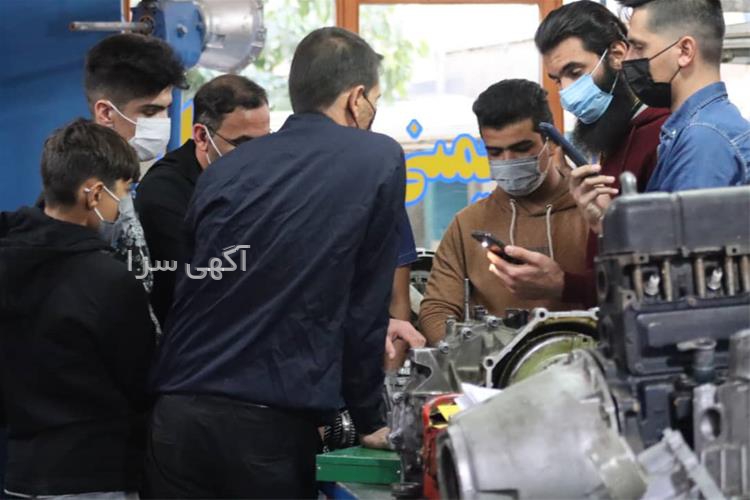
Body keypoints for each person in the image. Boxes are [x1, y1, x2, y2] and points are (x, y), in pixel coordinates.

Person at [144, 28, 405, 498]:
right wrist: (369, 418)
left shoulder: (223, 168)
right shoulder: (377, 157)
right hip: (263, 431)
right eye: (375, 99)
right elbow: (366, 306)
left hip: (174, 417)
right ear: (357, 98)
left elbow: (203, 281)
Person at [0, 119, 155, 498]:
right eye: (123, 192)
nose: (124, 206)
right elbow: (142, 382)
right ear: (94, 193)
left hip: (20, 471)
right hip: (93, 475)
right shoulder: (109, 281)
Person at [502, 0, 670, 308]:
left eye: (575, 72)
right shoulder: (614, 140)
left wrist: (561, 284)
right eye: (557, 79)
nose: (566, 92)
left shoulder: (661, 137)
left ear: (617, 54)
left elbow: (661, 278)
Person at [418, 79, 589, 345]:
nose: (507, 161)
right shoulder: (468, 224)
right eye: (495, 152)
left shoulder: (592, 212)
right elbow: (436, 311)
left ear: (552, 142)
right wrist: (476, 356)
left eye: (521, 148)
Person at [135, 75, 271, 325]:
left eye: (266, 143)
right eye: (242, 144)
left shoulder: (257, 181)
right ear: (201, 136)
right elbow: (192, 285)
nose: (257, 157)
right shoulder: (163, 194)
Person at [83, 33, 186, 296]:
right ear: (106, 113)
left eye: (166, 109)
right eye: (150, 112)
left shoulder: (125, 181)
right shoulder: (85, 194)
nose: (162, 122)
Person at [609, 0, 749, 192]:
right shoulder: (702, 129)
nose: (627, 59)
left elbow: (689, 213)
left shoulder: (703, 141)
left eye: (639, 47)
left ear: (685, 51)